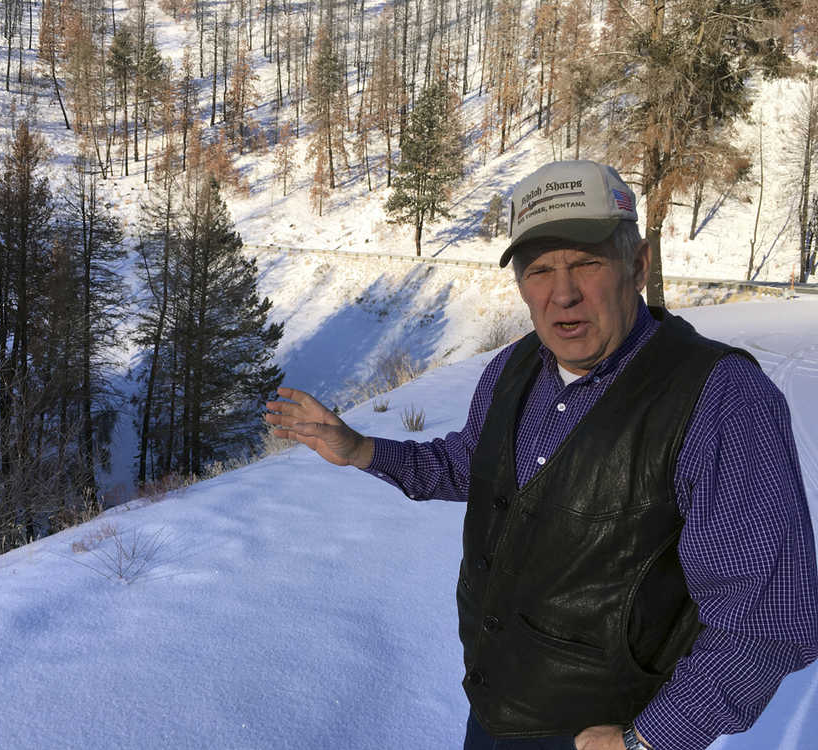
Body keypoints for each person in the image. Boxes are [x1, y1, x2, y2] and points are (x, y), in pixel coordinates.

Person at [264, 160, 818, 750]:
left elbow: (770, 620)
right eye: (539, 269)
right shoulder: (516, 365)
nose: (562, 293)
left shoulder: (720, 400)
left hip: (606, 733)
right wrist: (362, 449)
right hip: (497, 709)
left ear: (638, 266)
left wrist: (653, 738)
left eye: (586, 262)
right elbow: (472, 465)